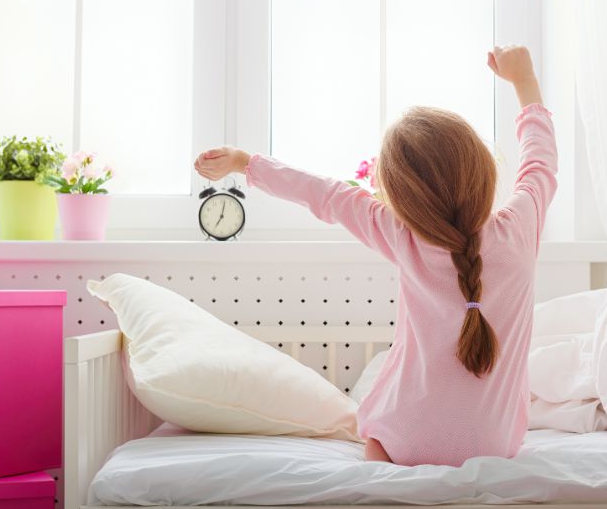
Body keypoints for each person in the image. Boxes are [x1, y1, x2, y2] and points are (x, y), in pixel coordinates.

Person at [194, 45, 557, 466]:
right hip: (497, 444)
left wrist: (245, 162)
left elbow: (327, 194)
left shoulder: (401, 235)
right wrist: (524, 81)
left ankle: (380, 469)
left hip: (406, 442)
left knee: (379, 419)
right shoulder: (521, 227)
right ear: (482, 168)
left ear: (401, 198)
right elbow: (539, 160)